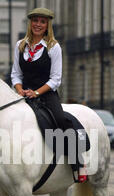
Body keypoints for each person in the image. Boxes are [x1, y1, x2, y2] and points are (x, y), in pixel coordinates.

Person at [11, 7, 87, 182]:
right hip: (23, 93)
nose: (38, 24)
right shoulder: (20, 45)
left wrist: (36, 92)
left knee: (61, 120)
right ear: (30, 23)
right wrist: (19, 89)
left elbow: (56, 79)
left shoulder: (53, 47)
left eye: (42, 22)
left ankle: (78, 162)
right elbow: (15, 73)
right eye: (35, 20)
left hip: (46, 94)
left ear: (47, 25)